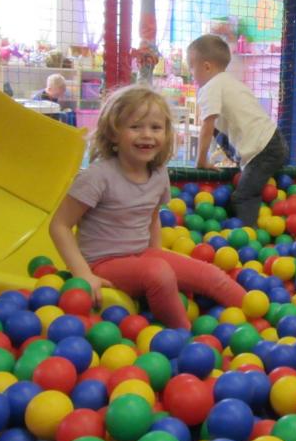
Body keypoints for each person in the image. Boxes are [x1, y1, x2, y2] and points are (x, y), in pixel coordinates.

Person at [49, 85, 245, 329]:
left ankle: (257, 313)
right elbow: (59, 225)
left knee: (210, 274)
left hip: (142, 256)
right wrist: (83, 274)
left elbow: (151, 216)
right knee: (158, 272)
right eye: (135, 127)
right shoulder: (97, 177)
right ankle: (183, 335)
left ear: (166, 133)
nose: (147, 135)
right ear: (113, 132)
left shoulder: (158, 174)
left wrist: (157, 256)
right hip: (101, 263)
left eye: (155, 127)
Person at [187, 34, 289, 227]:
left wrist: (201, 161)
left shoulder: (210, 87)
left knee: (242, 197)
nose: (191, 73)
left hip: (263, 151)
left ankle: (249, 235)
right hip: (275, 142)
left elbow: (207, 126)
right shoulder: (231, 82)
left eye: (192, 67)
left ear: (206, 66)